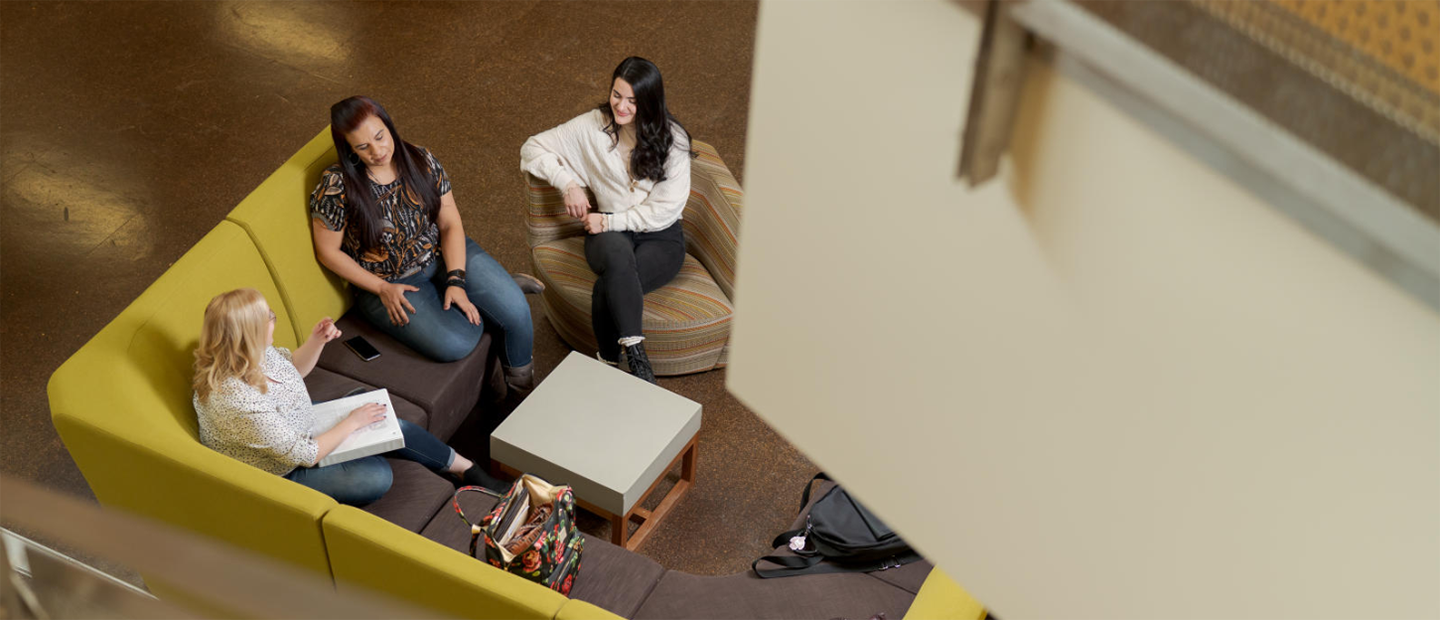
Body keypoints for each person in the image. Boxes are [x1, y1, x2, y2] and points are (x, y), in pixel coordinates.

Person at [310, 96, 541, 396]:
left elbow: (449, 224)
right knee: (459, 341)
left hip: (441, 252)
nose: (378, 151)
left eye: (380, 137)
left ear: (389, 126)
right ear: (349, 150)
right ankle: (497, 290)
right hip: (391, 283)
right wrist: (381, 289)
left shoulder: (421, 158)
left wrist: (457, 280)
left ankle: (521, 398)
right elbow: (327, 252)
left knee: (516, 310)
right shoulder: (336, 187)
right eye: (363, 147)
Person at [192, 288, 507, 505]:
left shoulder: (244, 353)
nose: (274, 318)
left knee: (390, 423)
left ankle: (467, 470)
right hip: (278, 470)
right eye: (268, 317)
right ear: (248, 335)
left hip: (296, 424)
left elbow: (291, 370)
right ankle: (361, 443)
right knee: (377, 476)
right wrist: (352, 423)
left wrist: (316, 342)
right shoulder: (238, 402)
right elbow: (306, 454)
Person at [520, 57, 696, 383]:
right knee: (617, 260)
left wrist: (610, 222)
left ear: (649, 102)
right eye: (617, 95)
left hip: (659, 234)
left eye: (632, 100)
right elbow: (533, 147)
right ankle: (638, 355)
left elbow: (665, 209)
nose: (622, 106)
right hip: (609, 233)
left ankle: (608, 362)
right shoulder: (593, 126)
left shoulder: (674, 140)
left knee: (610, 285)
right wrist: (568, 184)